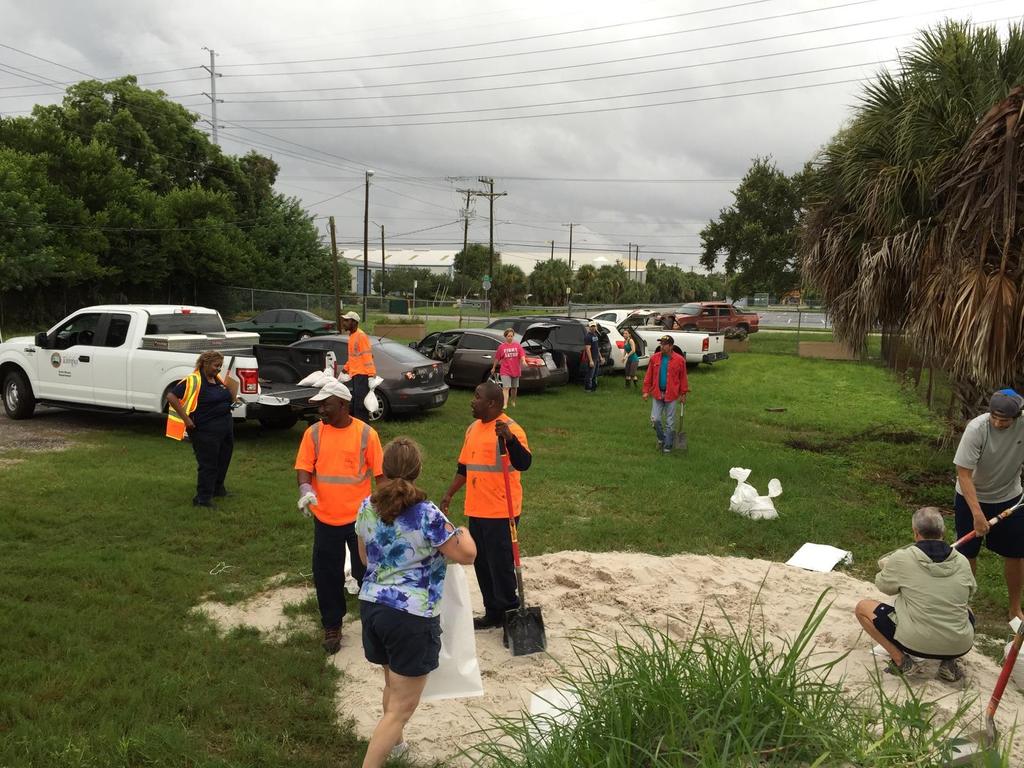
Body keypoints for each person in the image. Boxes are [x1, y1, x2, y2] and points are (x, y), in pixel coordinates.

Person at [356, 437, 477, 767]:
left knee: (391, 685)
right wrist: (463, 531)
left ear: (385, 467)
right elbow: (466, 555)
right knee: (401, 708)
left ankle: (395, 747)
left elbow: (365, 558)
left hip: (373, 605)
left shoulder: (367, 505)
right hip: (410, 616)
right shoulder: (427, 514)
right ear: (417, 470)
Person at [295, 379, 384, 654]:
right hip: (325, 519)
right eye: (319, 405)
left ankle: (376, 621)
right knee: (326, 575)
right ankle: (332, 624)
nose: (321, 410)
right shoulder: (313, 434)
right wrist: (305, 489)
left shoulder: (367, 435)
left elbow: (380, 476)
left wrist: (385, 512)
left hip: (360, 522)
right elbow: (303, 467)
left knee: (367, 572)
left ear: (343, 405)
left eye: (326, 405)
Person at [441, 382, 532, 630]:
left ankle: (511, 616)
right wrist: (449, 494)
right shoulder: (473, 428)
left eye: (477, 397)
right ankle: (493, 611)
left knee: (501, 567)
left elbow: (524, 463)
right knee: (482, 564)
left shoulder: (511, 429)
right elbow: (464, 467)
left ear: (492, 403)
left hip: (503, 512)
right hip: (477, 509)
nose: (472, 401)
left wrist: (510, 440)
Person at [854, 507, 976, 681]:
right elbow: (969, 592)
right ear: (943, 531)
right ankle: (948, 662)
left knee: (862, 607)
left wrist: (889, 568)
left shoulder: (902, 558)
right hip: (960, 645)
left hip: (915, 643)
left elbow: (883, 585)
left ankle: (901, 661)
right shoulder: (962, 561)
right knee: (967, 609)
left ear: (915, 532)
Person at [953, 389, 1024, 620]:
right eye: (994, 417)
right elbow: (964, 474)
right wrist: (977, 514)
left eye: (1004, 420)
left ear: (1017, 417)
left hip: (1009, 497)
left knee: (1015, 554)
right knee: (967, 553)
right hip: (971, 497)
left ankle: (1014, 609)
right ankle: (965, 604)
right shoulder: (977, 429)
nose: (997, 422)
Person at [165, 350, 239, 507]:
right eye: (216, 366)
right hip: (205, 430)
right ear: (205, 363)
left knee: (224, 459)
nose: (219, 369)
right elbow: (171, 396)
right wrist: (186, 419)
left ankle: (218, 489)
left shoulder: (217, 379)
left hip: (225, 426)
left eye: (220, 366)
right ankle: (202, 499)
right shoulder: (193, 380)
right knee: (208, 464)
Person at [642, 335, 688, 454]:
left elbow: (683, 378)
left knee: (670, 422)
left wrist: (683, 394)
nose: (661, 346)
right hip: (657, 394)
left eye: (664, 344)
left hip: (671, 395)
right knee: (655, 419)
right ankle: (661, 438)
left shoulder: (679, 360)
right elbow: (649, 376)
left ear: (671, 346)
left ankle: (668, 445)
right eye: (661, 344)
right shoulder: (655, 359)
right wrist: (646, 391)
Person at [342, 310, 376, 422]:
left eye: (347, 320)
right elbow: (353, 357)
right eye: (344, 320)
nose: (344, 323)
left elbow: (368, 356)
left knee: (360, 405)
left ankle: (363, 428)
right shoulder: (352, 336)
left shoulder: (361, 336)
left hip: (363, 375)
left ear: (354, 322)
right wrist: (345, 369)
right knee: (356, 403)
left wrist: (371, 375)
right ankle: (358, 426)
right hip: (356, 375)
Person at [490, 328, 526, 410]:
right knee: (506, 387)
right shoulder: (501, 347)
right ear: (505, 336)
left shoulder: (517, 346)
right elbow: (497, 358)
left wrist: (523, 361)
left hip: (515, 370)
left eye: (511, 336)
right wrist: (493, 367)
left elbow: (522, 355)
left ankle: (513, 401)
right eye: (508, 336)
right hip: (505, 370)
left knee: (514, 388)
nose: (510, 337)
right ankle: (505, 404)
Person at [583, 320, 602, 392]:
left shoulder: (595, 335)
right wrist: (590, 360)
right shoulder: (588, 336)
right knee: (590, 374)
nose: (593, 328)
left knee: (595, 374)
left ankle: (593, 388)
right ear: (589, 327)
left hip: (596, 358)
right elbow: (588, 349)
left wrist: (600, 357)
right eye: (592, 327)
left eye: (594, 326)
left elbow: (597, 348)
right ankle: (587, 388)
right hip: (591, 358)